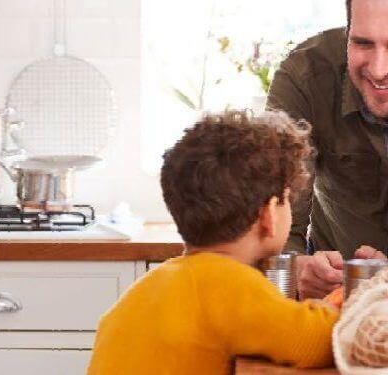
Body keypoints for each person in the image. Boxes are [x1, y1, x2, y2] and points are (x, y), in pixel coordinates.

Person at [86, 110, 338, 375]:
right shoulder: (231, 285)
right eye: (287, 199)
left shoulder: (144, 290)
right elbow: (317, 341)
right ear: (269, 215)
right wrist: (335, 306)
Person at [267, 0, 388, 299]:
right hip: (330, 305)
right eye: (362, 43)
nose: (379, 70)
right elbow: (269, 222)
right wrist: (295, 269)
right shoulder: (304, 77)